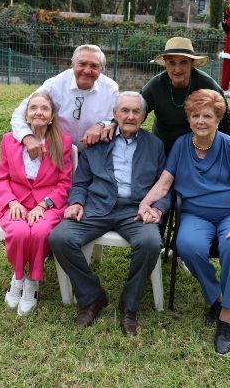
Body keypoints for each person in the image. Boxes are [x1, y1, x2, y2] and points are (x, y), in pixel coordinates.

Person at [137, 89, 230, 355]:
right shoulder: (181, 145)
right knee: (188, 245)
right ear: (189, 118)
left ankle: (226, 315)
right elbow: (165, 182)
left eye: (207, 116)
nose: (201, 121)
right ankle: (217, 295)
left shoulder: (229, 146)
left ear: (217, 119)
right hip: (196, 213)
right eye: (195, 116)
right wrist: (145, 202)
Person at [49, 92, 170, 336]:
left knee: (150, 243)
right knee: (60, 238)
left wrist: (158, 208)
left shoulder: (155, 145)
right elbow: (81, 182)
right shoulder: (97, 141)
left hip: (135, 210)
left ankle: (129, 304)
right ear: (114, 114)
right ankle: (92, 297)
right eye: (124, 111)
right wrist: (76, 202)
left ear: (144, 117)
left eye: (136, 112)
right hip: (97, 206)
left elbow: (165, 185)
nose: (130, 116)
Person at [0, 92, 74, 316]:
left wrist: (43, 205)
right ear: (26, 116)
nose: (38, 112)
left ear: (52, 116)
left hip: (47, 204)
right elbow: (1, 179)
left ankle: (33, 283)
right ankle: (18, 277)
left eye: (44, 108)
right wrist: (11, 202)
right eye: (33, 108)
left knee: (39, 232)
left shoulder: (63, 143)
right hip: (15, 201)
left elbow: (65, 183)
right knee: (17, 231)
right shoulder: (9, 140)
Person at [11, 44, 119, 160]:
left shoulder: (111, 88)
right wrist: (27, 137)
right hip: (57, 151)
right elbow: (20, 112)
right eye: (81, 64)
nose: (87, 71)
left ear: (101, 69)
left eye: (94, 66)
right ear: (72, 63)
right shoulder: (54, 85)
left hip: (95, 151)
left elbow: (116, 119)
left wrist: (102, 124)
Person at [137, 36, 230, 155]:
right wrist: (115, 124)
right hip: (162, 150)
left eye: (183, 62)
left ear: (192, 63)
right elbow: (134, 111)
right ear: (165, 64)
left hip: (196, 151)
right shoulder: (155, 85)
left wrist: (227, 152)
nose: (177, 69)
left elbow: (227, 121)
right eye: (172, 62)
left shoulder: (206, 83)